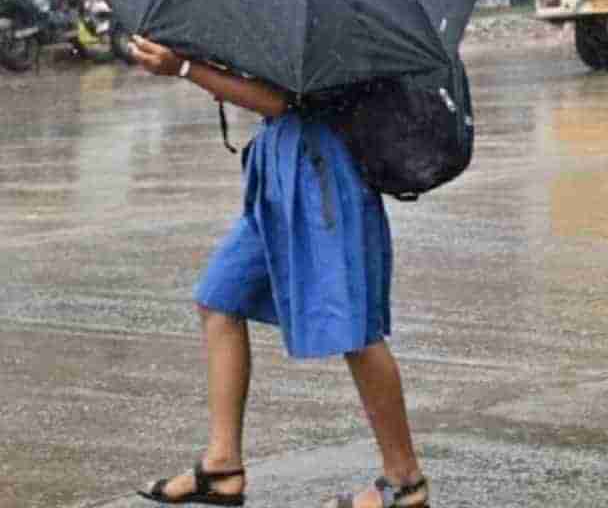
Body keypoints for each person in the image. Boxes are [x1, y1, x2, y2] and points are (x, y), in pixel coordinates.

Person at [128, 36, 429, 508]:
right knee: (220, 297)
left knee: (355, 329)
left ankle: (404, 480)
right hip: (280, 168)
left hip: (324, 175)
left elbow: (278, 98)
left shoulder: (323, 5)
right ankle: (222, 465)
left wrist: (186, 69)